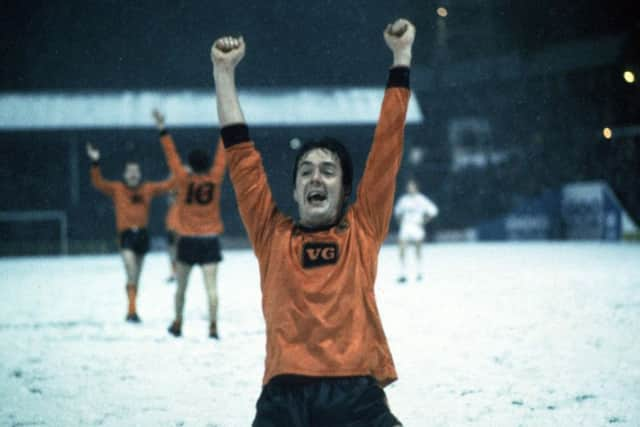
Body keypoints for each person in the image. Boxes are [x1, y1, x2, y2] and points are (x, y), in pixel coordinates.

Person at [211, 18, 414, 427]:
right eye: (305, 171)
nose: (316, 177)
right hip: (284, 395)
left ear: (346, 188)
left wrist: (401, 56)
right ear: (295, 189)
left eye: (327, 170)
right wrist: (223, 72)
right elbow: (241, 157)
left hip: (356, 393)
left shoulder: (363, 228)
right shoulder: (272, 235)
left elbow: (388, 144)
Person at [152, 109, 226, 339]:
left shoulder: (183, 179)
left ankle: (178, 322)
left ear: (190, 166)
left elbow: (171, 155)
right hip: (210, 239)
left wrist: (163, 129)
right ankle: (213, 326)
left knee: (181, 288)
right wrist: (227, 127)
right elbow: (223, 155)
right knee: (212, 288)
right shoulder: (215, 177)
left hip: (188, 240)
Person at [86, 143, 175, 322]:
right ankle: (131, 310)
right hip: (126, 235)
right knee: (130, 269)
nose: (133, 174)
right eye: (130, 171)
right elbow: (98, 182)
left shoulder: (148, 188)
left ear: (140, 174)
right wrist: (95, 162)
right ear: (125, 174)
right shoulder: (117, 188)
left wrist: (178, 170)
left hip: (142, 235)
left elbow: (168, 185)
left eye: (136, 171)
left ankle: (132, 309)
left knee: (136, 277)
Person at [394, 178, 439, 283]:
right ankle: (402, 273)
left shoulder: (421, 199)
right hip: (406, 227)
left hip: (417, 226)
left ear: (416, 187)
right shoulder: (403, 200)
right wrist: (401, 223)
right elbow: (397, 213)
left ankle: (419, 272)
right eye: (409, 186)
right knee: (402, 249)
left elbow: (433, 211)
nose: (411, 188)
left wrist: (424, 221)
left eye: (413, 186)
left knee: (418, 249)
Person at [164, 187, 179, 283]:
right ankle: (174, 273)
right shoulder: (171, 190)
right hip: (171, 227)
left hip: (180, 227)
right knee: (172, 253)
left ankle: (178, 273)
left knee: (178, 252)